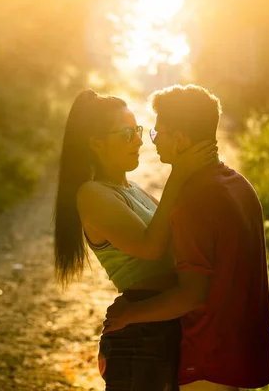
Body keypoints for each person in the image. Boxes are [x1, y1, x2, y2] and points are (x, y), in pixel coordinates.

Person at [103, 84, 269, 391]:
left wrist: (130, 314)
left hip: (207, 360)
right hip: (239, 356)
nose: (152, 142)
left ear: (180, 139)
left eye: (158, 134)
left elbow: (192, 295)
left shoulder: (195, 200)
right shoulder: (238, 185)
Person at [53, 89, 217, 391]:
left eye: (138, 131)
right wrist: (178, 175)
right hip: (140, 335)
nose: (140, 141)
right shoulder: (91, 194)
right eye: (127, 134)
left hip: (166, 321)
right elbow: (151, 248)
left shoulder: (134, 190)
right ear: (96, 144)